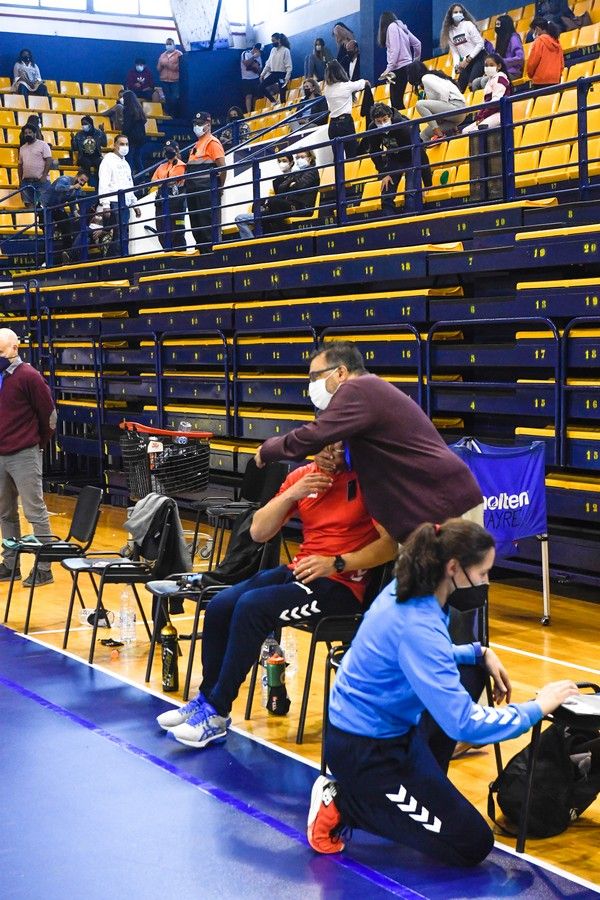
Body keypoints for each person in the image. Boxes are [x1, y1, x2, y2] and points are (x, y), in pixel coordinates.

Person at [307, 518, 580, 861]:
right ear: (453, 568)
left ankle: (419, 793)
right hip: (367, 751)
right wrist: (538, 707)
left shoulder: (413, 589)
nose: (486, 582)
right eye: (482, 574)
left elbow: (419, 656)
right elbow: (463, 723)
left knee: (471, 668)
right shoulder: (416, 620)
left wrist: (479, 653)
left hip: (395, 734)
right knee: (471, 843)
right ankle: (344, 804)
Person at [156, 451, 397, 748]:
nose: (331, 454)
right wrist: (291, 495)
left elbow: (392, 546)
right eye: (326, 446)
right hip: (301, 571)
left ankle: (217, 711)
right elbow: (258, 532)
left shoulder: (367, 480)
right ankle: (207, 698)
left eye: (338, 447)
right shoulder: (302, 477)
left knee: (253, 608)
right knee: (220, 604)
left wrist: (337, 562)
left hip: (341, 587)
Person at [255, 341, 483, 543]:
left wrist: (267, 450)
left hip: (441, 504)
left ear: (341, 372)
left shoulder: (357, 389)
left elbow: (313, 435)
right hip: (429, 505)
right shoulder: (369, 390)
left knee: (457, 585)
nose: (312, 385)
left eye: (316, 377)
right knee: (428, 585)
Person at [0, 328, 57, 587]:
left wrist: (35, 444)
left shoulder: (29, 376)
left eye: (1, 351)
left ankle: (44, 567)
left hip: (24, 453)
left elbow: (49, 415)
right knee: (5, 512)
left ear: (15, 349)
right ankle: (10, 564)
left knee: (35, 512)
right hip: (0, 454)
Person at [235, 150, 320, 240]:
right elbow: (283, 188)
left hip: (302, 206)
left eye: (302, 157)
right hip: (291, 204)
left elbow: (299, 186)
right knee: (258, 205)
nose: (299, 160)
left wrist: (293, 184)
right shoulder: (296, 174)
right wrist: (291, 184)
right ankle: (264, 236)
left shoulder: (312, 171)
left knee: (274, 203)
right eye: (298, 157)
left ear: (310, 158)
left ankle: (281, 234)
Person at [367, 103, 432, 213]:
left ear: (390, 116)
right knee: (386, 192)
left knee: (411, 192)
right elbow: (374, 151)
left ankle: (410, 220)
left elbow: (419, 150)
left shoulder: (403, 126)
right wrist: (384, 173)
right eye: (378, 121)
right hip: (393, 158)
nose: (382, 124)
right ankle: (389, 223)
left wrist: (428, 183)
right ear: (374, 121)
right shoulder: (372, 128)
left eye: (385, 119)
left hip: (412, 158)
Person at [185, 112, 226, 250]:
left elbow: (222, 167)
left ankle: (210, 255)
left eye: (200, 123)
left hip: (206, 190)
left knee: (207, 225)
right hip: (193, 191)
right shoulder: (195, 146)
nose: (196, 126)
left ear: (208, 125)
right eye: (195, 123)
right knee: (196, 225)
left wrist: (219, 187)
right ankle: (201, 253)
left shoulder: (212, 142)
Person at [97, 134, 141, 257]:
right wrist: (105, 204)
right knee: (118, 233)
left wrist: (134, 204)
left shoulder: (126, 164)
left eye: (126, 144)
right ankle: (116, 259)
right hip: (113, 201)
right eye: (122, 144)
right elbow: (104, 183)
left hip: (125, 203)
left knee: (123, 233)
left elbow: (129, 184)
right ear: (114, 145)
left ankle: (122, 257)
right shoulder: (107, 161)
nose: (124, 146)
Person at [407, 61, 467, 142]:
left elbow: (444, 92)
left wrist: (440, 115)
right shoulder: (433, 76)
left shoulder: (426, 78)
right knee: (423, 136)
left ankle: (439, 134)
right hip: (457, 117)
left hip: (457, 108)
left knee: (420, 104)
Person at [323, 60, 369, 160]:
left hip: (332, 125)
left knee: (337, 157)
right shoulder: (347, 86)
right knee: (351, 154)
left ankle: (340, 176)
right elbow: (364, 82)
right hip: (345, 122)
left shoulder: (326, 89)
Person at [378, 11, 421, 111]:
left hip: (398, 70)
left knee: (396, 104)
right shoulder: (402, 28)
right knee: (398, 103)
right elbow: (417, 44)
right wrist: (415, 62)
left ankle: (404, 125)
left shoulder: (391, 27)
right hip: (407, 67)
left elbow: (395, 50)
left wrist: (388, 69)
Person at [46, 169, 88, 264]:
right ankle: (47, 260)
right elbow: (58, 188)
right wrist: (73, 186)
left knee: (68, 228)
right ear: (76, 177)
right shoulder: (65, 179)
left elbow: (71, 201)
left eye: (84, 182)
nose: (82, 183)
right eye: (81, 180)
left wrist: (74, 212)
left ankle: (66, 255)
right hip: (45, 206)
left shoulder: (76, 189)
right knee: (47, 231)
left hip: (58, 208)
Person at [440, 4, 486, 92]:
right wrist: (457, 65)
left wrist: (468, 60)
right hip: (466, 62)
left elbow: (480, 43)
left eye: (460, 12)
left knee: (472, 85)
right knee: (459, 89)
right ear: (451, 15)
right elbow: (455, 52)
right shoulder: (449, 32)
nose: (458, 14)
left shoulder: (468, 25)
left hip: (479, 57)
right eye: (456, 12)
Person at [151, 140, 186, 251]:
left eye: (170, 150)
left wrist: (163, 182)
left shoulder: (182, 165)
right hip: (161, 201)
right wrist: (165, 182)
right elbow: (153, 181)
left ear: (176, 150)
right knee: (161, 229)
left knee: (177, 229)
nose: (167, 152)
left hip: (176, 202)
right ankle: (168, 251)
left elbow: (175, 180)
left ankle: (180, 253)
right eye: (166, 150)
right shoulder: (161, 166)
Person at [462, 54, 512, 132]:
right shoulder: (490, 80)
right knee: (465, 131)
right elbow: (485, 102)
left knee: (475, 131)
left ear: (499, 66)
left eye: (491, 65)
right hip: (490, 114)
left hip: (500, 113)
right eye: (486, 65)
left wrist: (484, 116)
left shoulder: (500, 78)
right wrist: (480, 116)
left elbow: (496, 101)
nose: (488, 68)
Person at [18, 125, 52, 209]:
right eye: (25, 133)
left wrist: (44, 176)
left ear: (35, 133)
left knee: (42, 207)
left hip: (41, 182)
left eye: (30, 132)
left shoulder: (43, 145)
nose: (27, 134)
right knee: (29, 206)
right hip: (26, 182)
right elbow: (20, 165)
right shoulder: (22, 148)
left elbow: (49, 160)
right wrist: (20, 181)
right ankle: (32, 222)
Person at [71, 115, 107, 188]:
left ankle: (100, 185)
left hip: (96, 156)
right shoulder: (79, 134)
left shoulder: (98, 133)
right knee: (86, 163)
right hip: (84, 156)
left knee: (101, 163)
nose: (84, 126)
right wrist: (72, 139)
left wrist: (103, 132)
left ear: (91, 124)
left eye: (85, 124)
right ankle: (86, 185)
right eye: (82, 124)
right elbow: (75, 148)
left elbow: (104, 144)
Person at [526, 18, 564, 86]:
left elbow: (532, 63)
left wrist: (530, 75)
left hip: (540, 82)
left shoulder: (539, 41)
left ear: (537, 29)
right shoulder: (557, 42)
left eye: (533, 30)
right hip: (555, 81)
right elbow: (562, 65)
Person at [260, 33, 292, 103]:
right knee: (261, 86)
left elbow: (289, 66)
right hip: (274, 73)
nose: (273, 43)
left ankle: (284, 109)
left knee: (282, 95)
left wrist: (287, 77)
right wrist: (262, 74)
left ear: (279, 40)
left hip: (282, 74)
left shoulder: (285, 50)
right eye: (272, 41)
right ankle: (274, 101)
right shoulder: (273, 50)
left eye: (274, 41)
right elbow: (268, 63)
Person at [122, 90, 147, 176]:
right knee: (137, 158)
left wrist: (122, 135)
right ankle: (141, 177)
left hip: (131, 137)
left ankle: (130, 177)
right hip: (141, 137)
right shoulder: (139, 109)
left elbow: (127, 126)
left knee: (129, 158)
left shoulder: (128, 110)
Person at [156, 37, 182, 117]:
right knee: (166, 99)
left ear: (174, 45)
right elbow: (158, 68)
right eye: (167, 44)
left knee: (174, 98)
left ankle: (174, 115)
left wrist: (167, 65)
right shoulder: (162, 55)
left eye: (170, 44)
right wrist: (161, 64)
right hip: (164, 80)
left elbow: (179, 67)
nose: (168, 46)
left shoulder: (179, 54)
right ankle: (167, 114)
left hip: (175, 81)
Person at [494, 14, 525, 80]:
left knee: (484, 82)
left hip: (513, 72)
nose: (496, 28)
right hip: (501, 72)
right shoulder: (500, 39)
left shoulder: (514, 38)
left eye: (498, 25)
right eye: (496, 25)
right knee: (476, 82)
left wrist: (504, 61)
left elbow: (520, 58)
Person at [241, 43, 263, 114]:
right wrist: (253, 57)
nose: (259, 53)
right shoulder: (245, 53)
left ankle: (255, 111)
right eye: (258, 51)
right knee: (248, 96)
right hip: (246, 78)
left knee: (256, 96)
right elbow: (246, 63)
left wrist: (257, 67)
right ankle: (249, 113)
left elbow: (260, 70)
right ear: (255, 49)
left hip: (255, 78)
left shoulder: (259, 57)